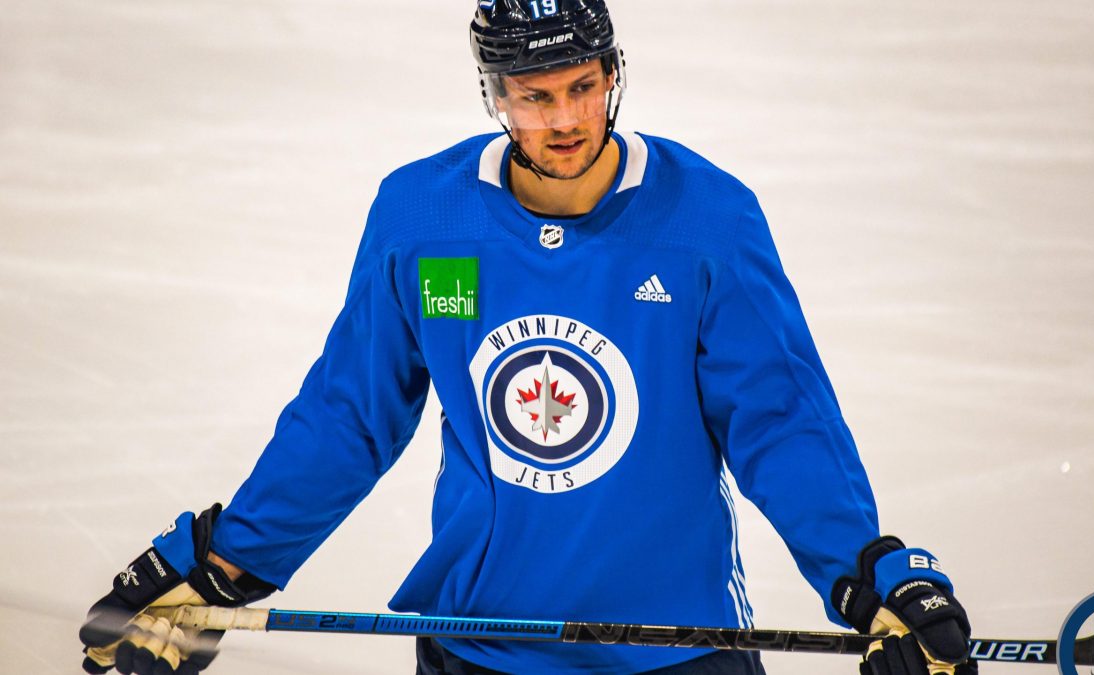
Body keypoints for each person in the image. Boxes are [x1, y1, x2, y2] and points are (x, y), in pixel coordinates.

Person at [79, 1, 977, 674]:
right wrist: (226, 564)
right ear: (494, 95)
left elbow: (779, 421)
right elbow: (352, 413)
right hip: (479, 643)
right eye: (535, 97)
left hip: (679, 648)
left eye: (583, 86)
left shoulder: (709, 219)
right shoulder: (423, 217)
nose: (566, 120)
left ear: (614, 73)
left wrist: (869, 573)